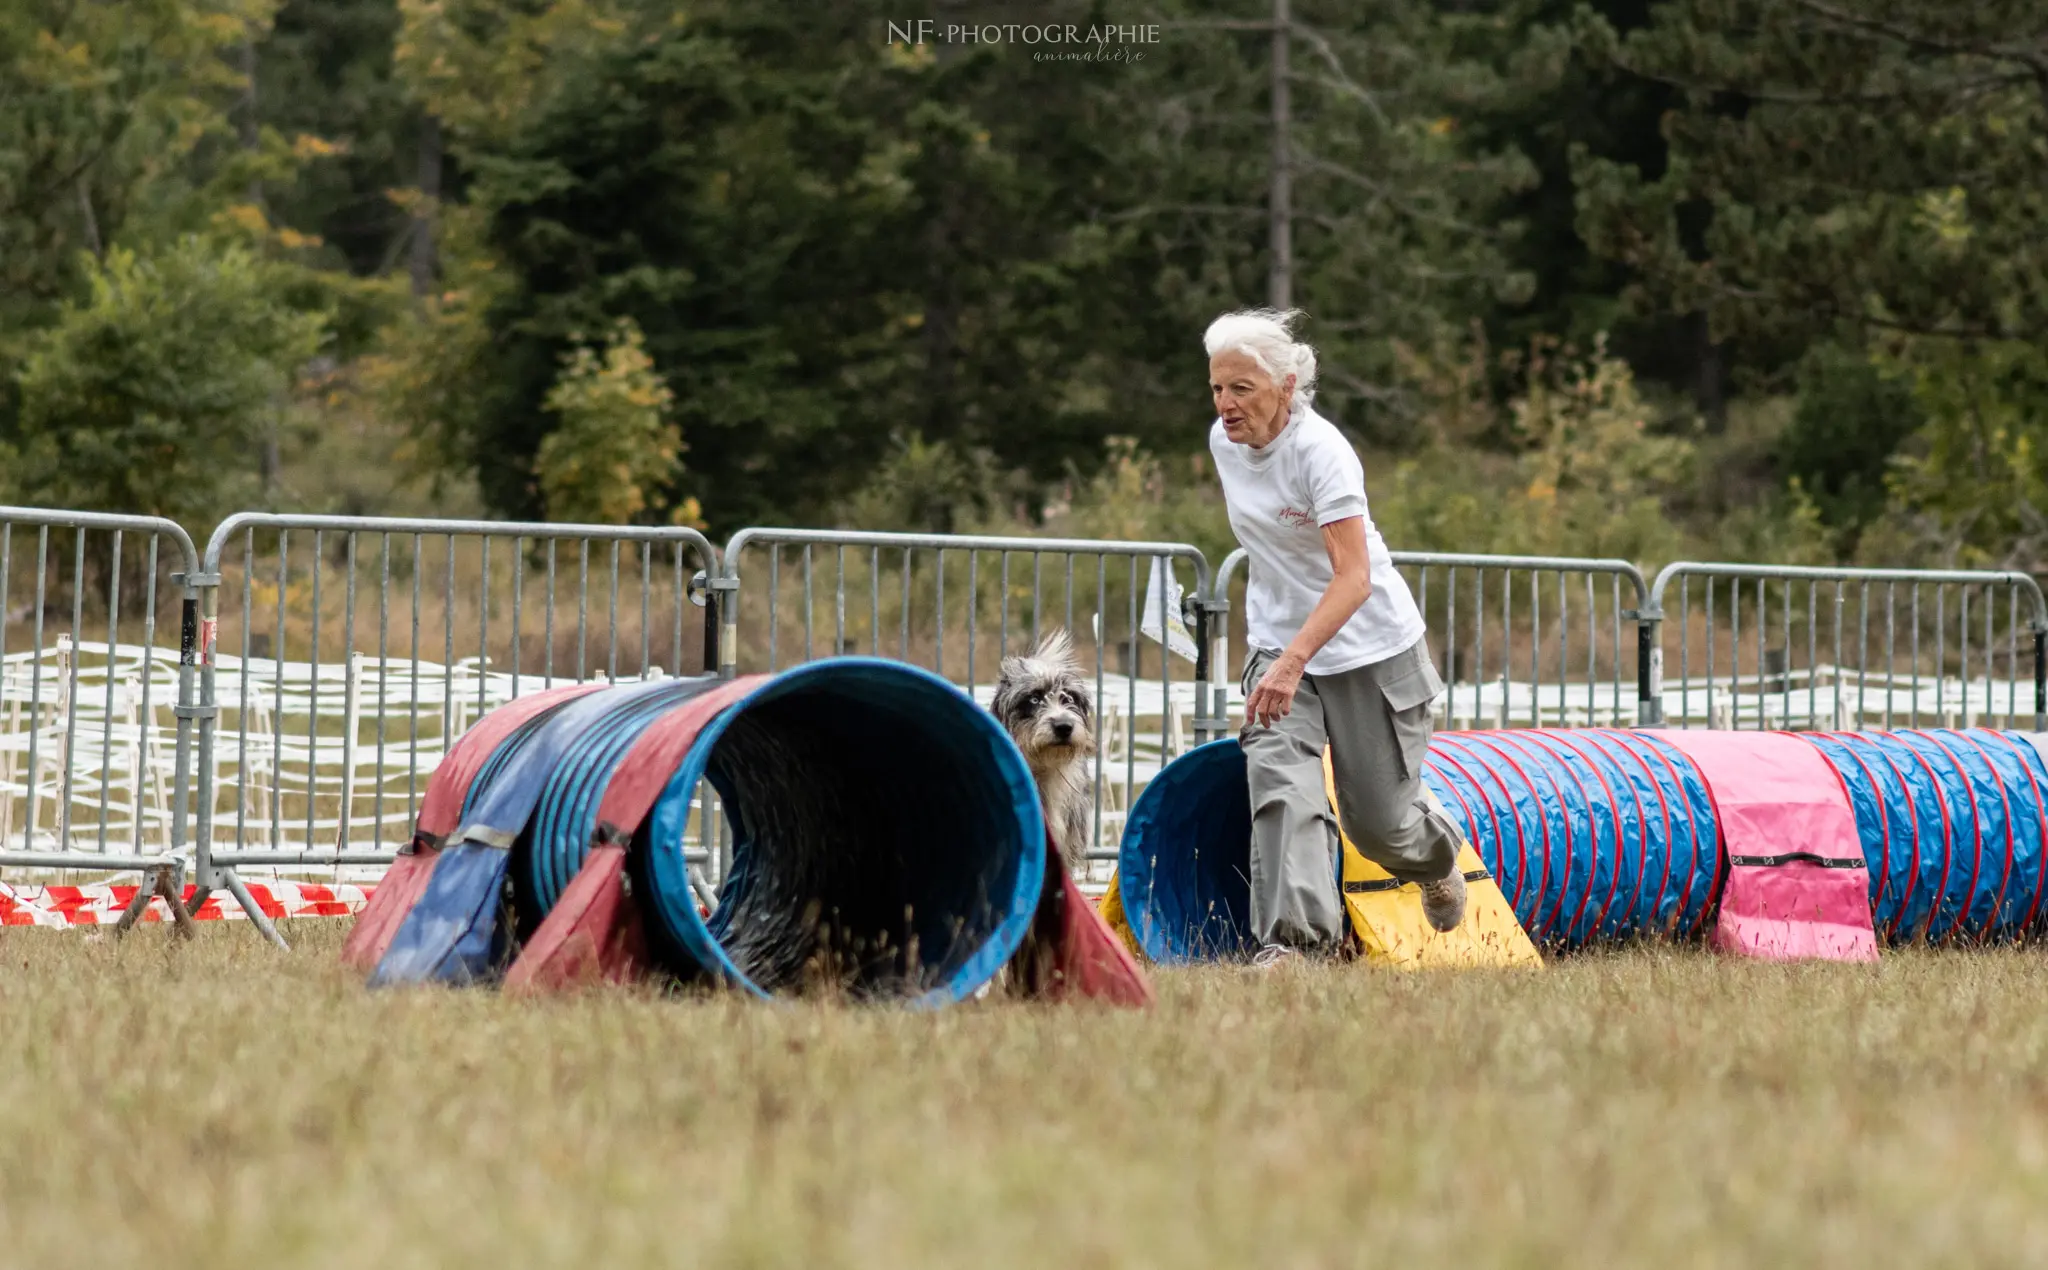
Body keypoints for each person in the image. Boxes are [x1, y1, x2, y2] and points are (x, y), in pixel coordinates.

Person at [1205, 307, 1467, 967]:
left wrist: (1296, 659)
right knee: (1282, 788)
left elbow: (1353, 578)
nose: (1226, 405)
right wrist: (1281, 658)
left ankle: (1434, 855)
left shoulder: (1323, 454)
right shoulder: (1223, 442)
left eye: (1243, 389)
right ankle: (1295, 948)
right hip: (1278, 645)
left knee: (1380, 826)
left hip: (1369, 646)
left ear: (1287, 387)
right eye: (1217, 388)